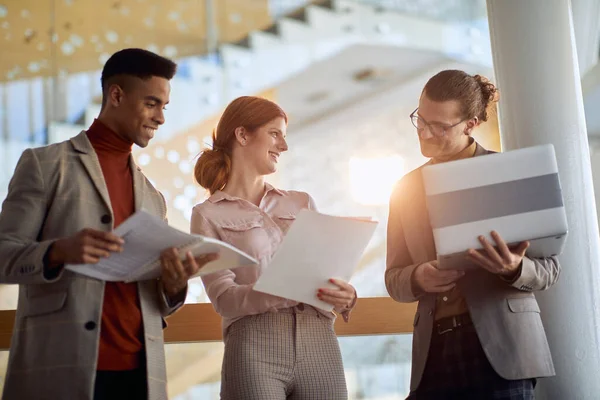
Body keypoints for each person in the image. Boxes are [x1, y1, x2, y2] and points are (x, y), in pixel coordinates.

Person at [0, 48, 218, 400]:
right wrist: (58, 251)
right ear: (116, 95)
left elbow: (152, 297)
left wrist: (174, 286)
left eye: (165, 106)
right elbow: (3, 255)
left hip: (141, 377)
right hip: (62, 369)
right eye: (152, 103)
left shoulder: (152, 195)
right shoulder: (46, 165)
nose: (161, 117)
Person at [385, 70, 560, 399]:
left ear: (471, 123)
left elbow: (550, 267)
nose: (425, 133)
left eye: (440, 126)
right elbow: (393, 277)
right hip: (433, 353)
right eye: (421, 119)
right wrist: (418, 276)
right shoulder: (404, 189)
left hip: (502, 351)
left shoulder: (511, 175)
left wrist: (514, 268)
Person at [191, 96, 357, 400]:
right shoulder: (207, 215)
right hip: (254, 346)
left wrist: (346, 296)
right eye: (275, 133)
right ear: (242, 135)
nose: (284, 146)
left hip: (319, 339)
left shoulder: (301, 202)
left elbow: (327, 272)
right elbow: (224, 299)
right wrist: (283, 288)